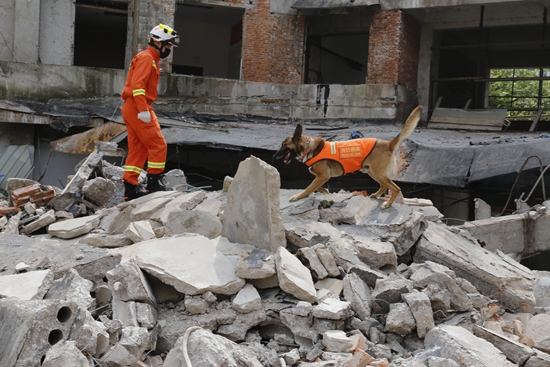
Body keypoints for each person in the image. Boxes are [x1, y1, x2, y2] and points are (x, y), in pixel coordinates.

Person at [121, 24, 180, 201]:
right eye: (168, 45)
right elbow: (137, 86)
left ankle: (130, 189)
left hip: (131, 107)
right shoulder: (147, 58)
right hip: (138, 106)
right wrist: (143, 109)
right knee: (158, 144)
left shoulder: (148, 58)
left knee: (138, 149)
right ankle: (154, 184)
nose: (168, 49)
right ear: (158, 42)